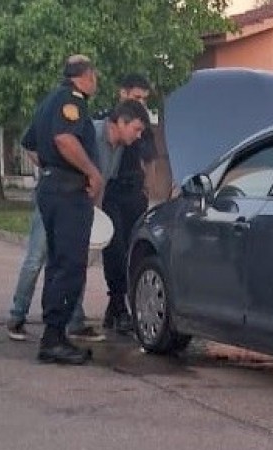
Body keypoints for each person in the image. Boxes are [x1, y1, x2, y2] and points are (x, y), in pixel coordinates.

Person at [21, 54, 102, 365]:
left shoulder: (48, 101)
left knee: (57, 263)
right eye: (94, 75)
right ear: (85, 75)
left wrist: (49, 166)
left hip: (51, 188)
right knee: (70, 264)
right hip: (68, 192)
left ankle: (54, 333)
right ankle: (54, 338)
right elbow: (65, 139)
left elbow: (30, 144)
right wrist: (91, 172)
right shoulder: (72, 100)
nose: (95, 81)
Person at [5, 149, 104, 342]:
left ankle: (73, 319)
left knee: (70, 261)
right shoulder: (63, 126)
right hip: (54, 195)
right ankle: (18, 315)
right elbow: (29, 144)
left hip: (75, 199)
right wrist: (50, 166)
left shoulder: (100, 142)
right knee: (36, 258)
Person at [96, 74, 157, 333]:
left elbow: (150, 159)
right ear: (122, 93)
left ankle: (117, 307)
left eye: (144, 98)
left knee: (132, 251)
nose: (141, 102)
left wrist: (149, 189)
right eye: (136, 97)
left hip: (135, 193)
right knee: (115, 250)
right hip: (112, 191)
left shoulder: (143, 126)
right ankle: (118, 305)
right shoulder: (112, 121)